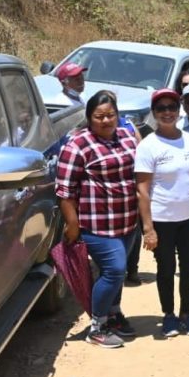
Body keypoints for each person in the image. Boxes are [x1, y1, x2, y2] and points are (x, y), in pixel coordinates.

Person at [55, 90, 140, 348]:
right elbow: (65, 190)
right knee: (115, 270)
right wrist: (72, 224)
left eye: (110, 115)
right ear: (89, 118)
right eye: (99, 116)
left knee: (115, 269)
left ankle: (113, 314)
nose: (105, 121)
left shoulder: (127, 137)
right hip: (96, 224)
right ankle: (97, 326)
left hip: (127, 222)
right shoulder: (78, 145)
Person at [135, 89, 189, 338]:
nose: (167, 112)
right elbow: (142, 191)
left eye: (171, 107)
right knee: (166, 268)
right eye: (161, 108)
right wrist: (148, 229)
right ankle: (168, 315)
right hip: (162, 219)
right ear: (154, 113)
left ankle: (187, 314)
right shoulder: (148, 146)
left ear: (178, 110)